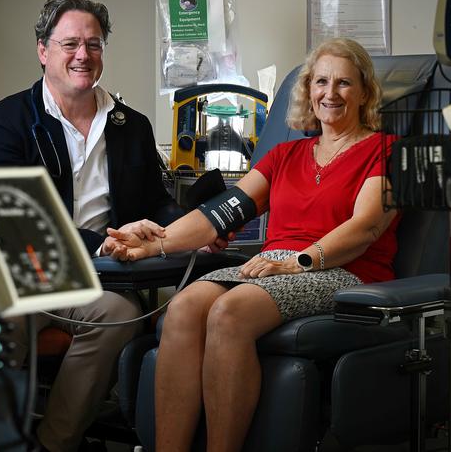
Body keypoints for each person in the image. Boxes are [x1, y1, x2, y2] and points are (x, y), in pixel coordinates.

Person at [103, 37, 400, 452]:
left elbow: (366, 226)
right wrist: (152, 244)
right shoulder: (285, 155)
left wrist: (302, 260)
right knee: (183, 307)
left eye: (344, 84)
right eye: (320, 82)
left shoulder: (384, 151)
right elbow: (221, 212)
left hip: (342, 271)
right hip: (273, 266)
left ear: (365, 91)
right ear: (308, 90)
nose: (329, 93)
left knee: (229, 312)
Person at [0, 0, 186, 452]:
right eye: (70, 44)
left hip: (100, 282)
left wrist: (187, 229)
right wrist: (103, 243)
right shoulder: (2, 124)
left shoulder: (132, 126)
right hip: (20, 274)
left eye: (93, 44)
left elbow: (155, 202)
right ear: (43, 50)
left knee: (121, 316)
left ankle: (54, 443)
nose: (83, 55)